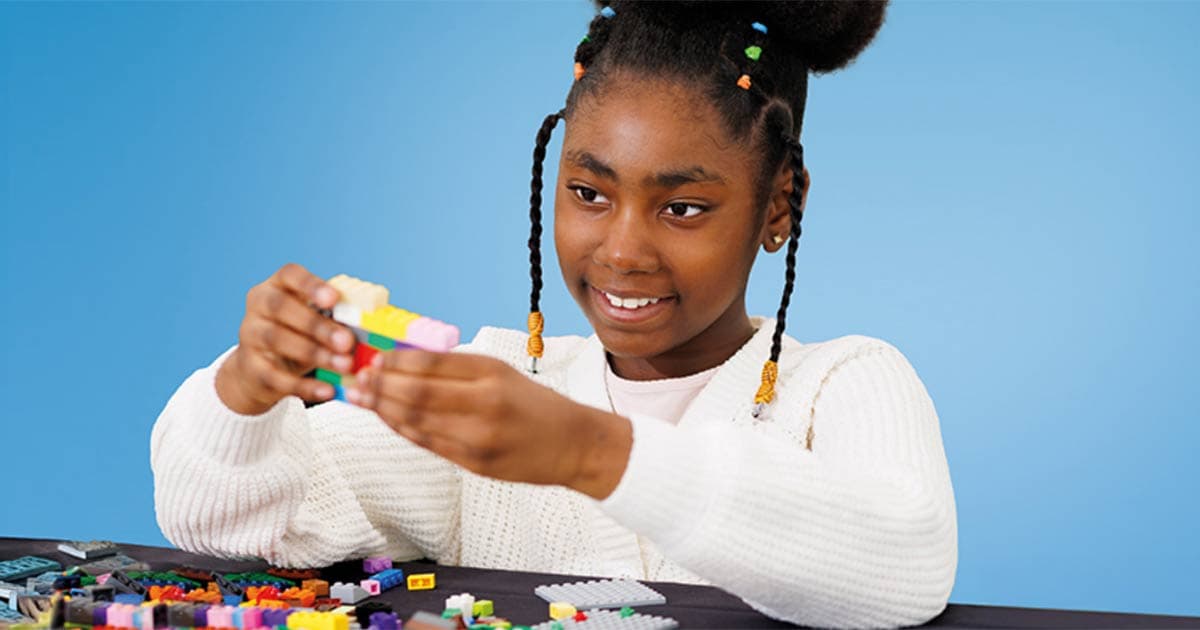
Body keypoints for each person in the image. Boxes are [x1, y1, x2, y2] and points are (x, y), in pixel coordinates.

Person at [151, 1, 957, 627]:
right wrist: (246, 392)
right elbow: (231, 520)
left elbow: (904, 563)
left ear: (779, 203)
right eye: (589, 194)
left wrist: (586, 450)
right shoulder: (497, 385)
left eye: (681, 207)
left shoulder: (844, 385)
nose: (622, 251)